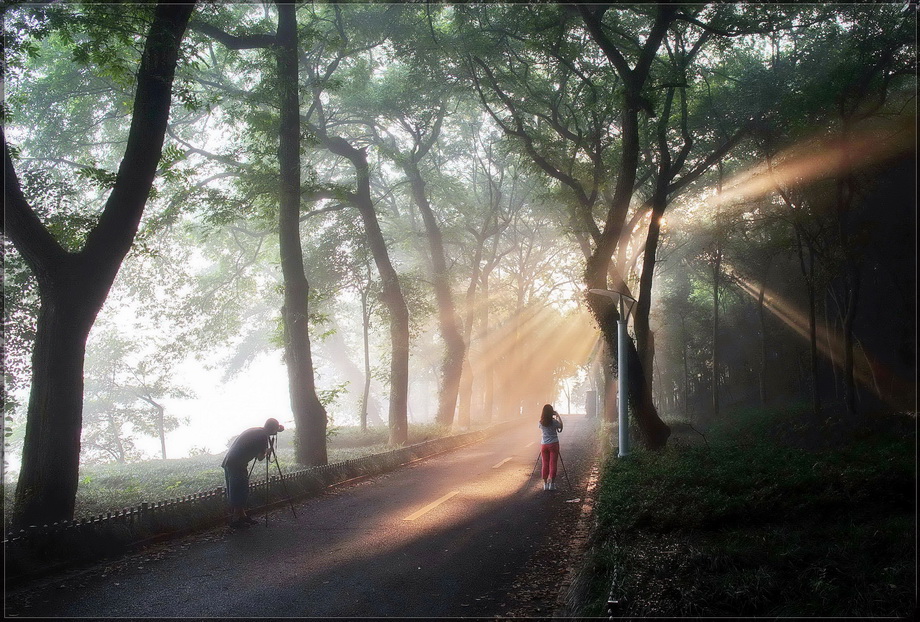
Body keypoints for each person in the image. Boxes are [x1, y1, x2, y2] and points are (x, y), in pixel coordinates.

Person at [221, 417, 285, 528]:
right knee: (239, 491)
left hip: (231, 462)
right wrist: (267, 451)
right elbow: (260, 458)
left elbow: (272, 428)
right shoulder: (262, 436)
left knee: (240, 489)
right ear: (272, 428)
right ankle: (236, 521)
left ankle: (242, 516)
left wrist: (278, 429)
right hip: (236, 464)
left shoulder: (258, 430)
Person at [538, 404, 563, 491]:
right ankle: (552, 484)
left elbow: (540, 427)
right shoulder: (554, 422)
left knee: (545, 464)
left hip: (544, 445)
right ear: (551, 412)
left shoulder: (540, 422)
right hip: (553, 444)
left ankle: (545, 484)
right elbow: (561, 426)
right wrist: (558, 416)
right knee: (553, 463)